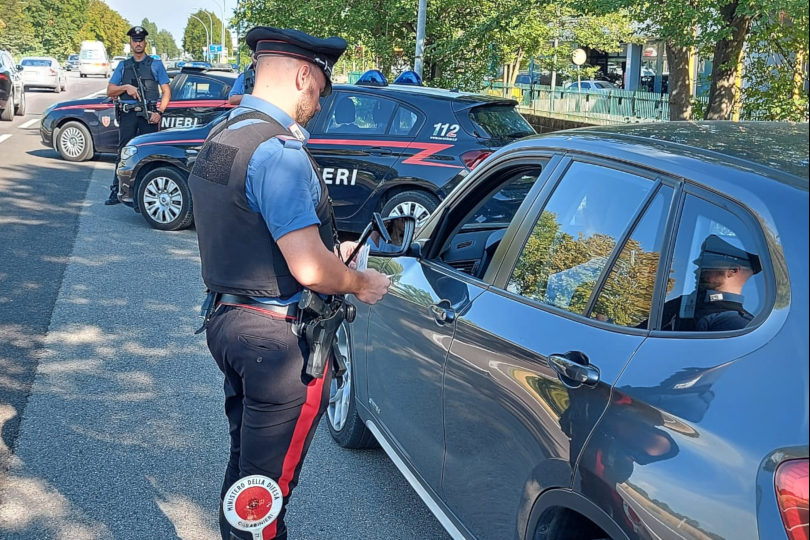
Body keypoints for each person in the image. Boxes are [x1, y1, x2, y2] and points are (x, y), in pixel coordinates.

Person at [187, 26, 390, 540]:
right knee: (264, 496)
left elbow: (248, 226)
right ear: (304, 75)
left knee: (244, 471)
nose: (318, 105)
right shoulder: (279, 152)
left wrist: (326, 252)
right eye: (320, 91)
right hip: (278, 343)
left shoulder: (223, 134)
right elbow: (310, 272)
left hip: (228, 322)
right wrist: (359, 281)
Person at [104, 26, 170, 205]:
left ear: (145, 43)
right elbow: (110, 90)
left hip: (149, 115)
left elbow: (166, 91)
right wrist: (126, 88)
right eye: (135, 40)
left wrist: (159, 112)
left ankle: (145, 192)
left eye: (141, 40)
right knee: (124, 153)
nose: (138, 43)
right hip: (129, 115)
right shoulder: (123, 66)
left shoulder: (155, 65)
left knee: (149, 154)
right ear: (130, 43)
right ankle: (116, 190)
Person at [691, 234, 761, 331]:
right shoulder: (688, 303)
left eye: (705, 264)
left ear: (732, 270)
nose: (697, 270)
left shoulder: (734, 324)